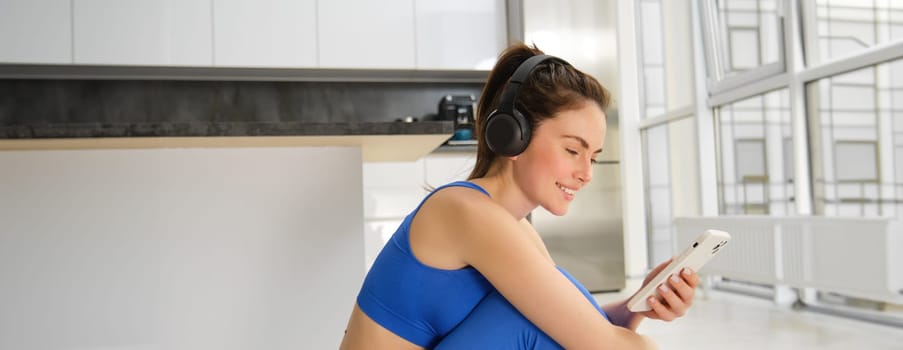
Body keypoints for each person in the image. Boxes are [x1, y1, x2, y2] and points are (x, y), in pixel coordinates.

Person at [339, 43, 699, 350]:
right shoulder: (466, 212)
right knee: (531, 318)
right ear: (514, 137)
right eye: (573, 150)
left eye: (594, 157)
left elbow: (564, 323)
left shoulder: (513, 227)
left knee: (547, 310)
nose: (586, 173)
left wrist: (640, 304)